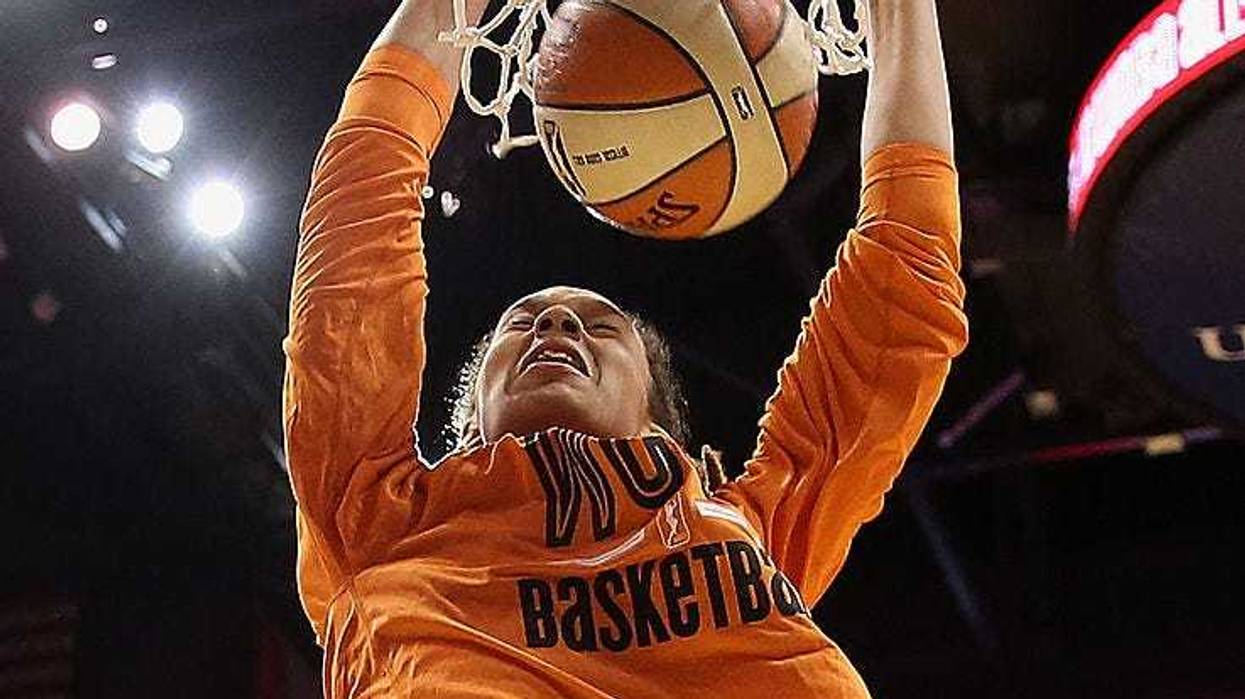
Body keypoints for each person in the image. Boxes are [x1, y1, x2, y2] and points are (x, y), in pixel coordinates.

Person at [283, 0, 967, 695]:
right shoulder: (378, 514)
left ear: (654, 418)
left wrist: (903, 14)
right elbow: (352, 242)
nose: (555, 327)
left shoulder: (741, 526)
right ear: (468, 422)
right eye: (523, 324)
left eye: (598, 325)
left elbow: (896, 298)